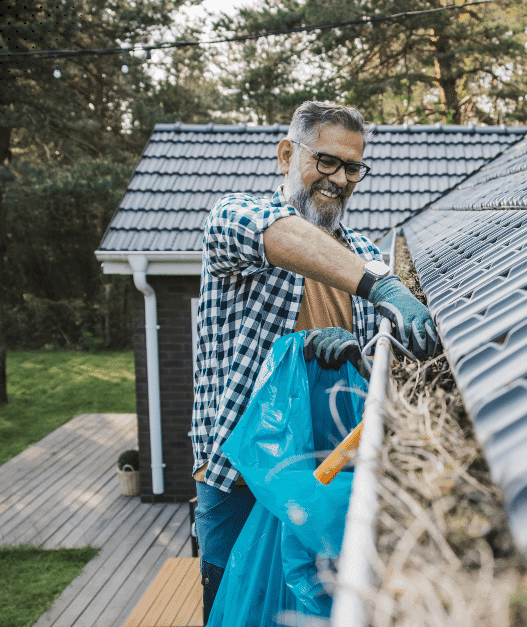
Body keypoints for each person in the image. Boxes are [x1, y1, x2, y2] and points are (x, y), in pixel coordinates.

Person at [191, 101, 439, 621]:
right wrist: (381, 286)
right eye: (325, 161)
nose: (340, 178)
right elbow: (279, 233)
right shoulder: (235, 221)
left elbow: (375, 384)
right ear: (287, 155)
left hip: (322, 486)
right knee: (234, 610)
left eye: (352, 167)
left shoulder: (364, 256)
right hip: (238, 481)